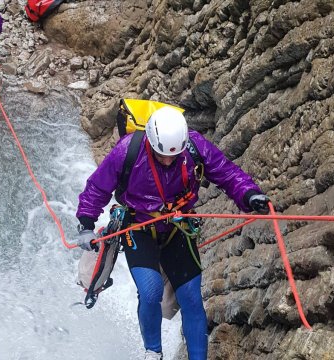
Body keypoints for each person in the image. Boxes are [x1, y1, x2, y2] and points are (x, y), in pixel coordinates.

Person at [74, 106, 269, 360]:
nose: (167, 160)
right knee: (150, 291)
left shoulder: (193, 147)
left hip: (178, 228)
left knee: (191, 298)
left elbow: (226, 173)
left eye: (172, 157)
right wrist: (86, 224)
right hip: (139, 228)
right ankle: (153, 353)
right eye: (161, 155)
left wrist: (249, 194)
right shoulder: (127, 150)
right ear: (151, 143)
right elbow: (98, 187)